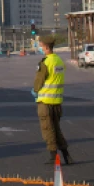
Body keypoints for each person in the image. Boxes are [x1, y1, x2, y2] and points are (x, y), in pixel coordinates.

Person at [33, 35, 72, 165]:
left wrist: (35, 91)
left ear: (45, 47)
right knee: (56, 128)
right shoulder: (59, 61)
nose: (39, 47)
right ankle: (66, 155)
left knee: (47, 129)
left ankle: (53, 156)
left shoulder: (45, 62)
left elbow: (39, 82)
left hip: (45, 102)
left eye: (40, 45)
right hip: (57, 102)